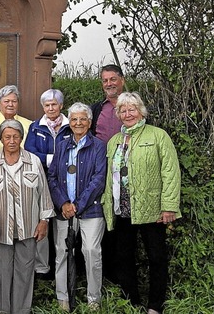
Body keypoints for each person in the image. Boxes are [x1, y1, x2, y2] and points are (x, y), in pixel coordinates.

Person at [101, 92, 181, 314]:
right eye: (123, 110)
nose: (128, 114)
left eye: (132, 109)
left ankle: (155, 305)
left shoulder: (158, 136)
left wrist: (169, 206)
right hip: (123, 210)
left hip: (151, 208)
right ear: (118, 114)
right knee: (124, 257)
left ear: (141, 111)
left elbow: (170, 172)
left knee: (156, 257)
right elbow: (109, 177)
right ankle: (132, 302)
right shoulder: (114, 141)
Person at [0, 119, 55, 314]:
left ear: (22, 138)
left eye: (16, 136)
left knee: (25, 271)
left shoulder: (33, 161)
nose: (12, 141)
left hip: (29, 227)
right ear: (1, 139)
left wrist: (44, 220)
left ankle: (22, 310)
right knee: (2, 272)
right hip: (1, 229)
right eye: (7, 137)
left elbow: (44, 193)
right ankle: (2, 310)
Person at [48, 103, 106, 312]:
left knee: (91, 251)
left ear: (89, 123)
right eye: (74, 119)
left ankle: (93, 299)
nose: (78, 123)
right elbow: (52, 176)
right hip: (64, 210)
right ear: (69, 123)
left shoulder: (98, 146)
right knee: (62, 251)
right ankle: (63, 298)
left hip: (90, 209)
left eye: (83, 119)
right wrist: (63, 203)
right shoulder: (61, 145)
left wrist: (78, 205)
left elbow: (99, 179)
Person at [24, 89, 73, 279]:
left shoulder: (71, 125)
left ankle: (64, 269)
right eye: (47, 105)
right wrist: (54, 159)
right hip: (42, 181)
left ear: (61, 106)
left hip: (65, 183)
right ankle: (42, 269)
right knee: (42, 223)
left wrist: (57, 161)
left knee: (62, 227)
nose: (51, 108)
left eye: (54, 104)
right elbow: (31, 152)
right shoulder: (36, 127)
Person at [90, 64, 125, 283]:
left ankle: (120, 274)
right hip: (100, 171)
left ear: (121, 79)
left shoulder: (130, 106)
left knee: (121, 224)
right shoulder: (96, 109)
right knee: (102, 220)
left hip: (125, 172)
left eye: (113, 79)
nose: (109, 84)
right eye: (105, 80)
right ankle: (101, 274)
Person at [0, 85, 32, 158]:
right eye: (6, 101)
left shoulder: (29, 124)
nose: (10, 104)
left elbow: (31, 150)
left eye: (14, 101)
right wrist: (6, 163)